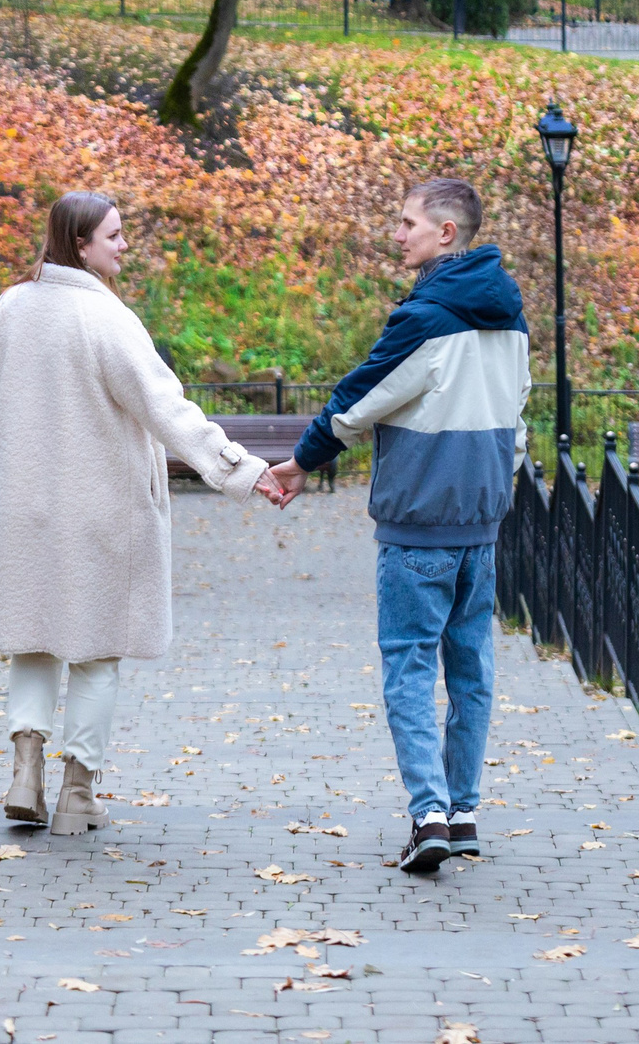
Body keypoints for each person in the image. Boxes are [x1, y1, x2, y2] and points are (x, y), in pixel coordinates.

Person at [0, 191, 278, 835]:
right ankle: (76, 795)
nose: (124, 245)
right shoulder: (106, 318)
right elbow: (168, 410)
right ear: (80, 245)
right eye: (113, 235)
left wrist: (2, 479)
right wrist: (240, 471)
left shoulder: (7, 310)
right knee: (97, 650)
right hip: (100, 511)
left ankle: (25, 772)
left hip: (23, 508)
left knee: (32, 641)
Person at [260, 178, 529, 875]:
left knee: (409, 667)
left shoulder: (427, 317)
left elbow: (360, 399)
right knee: (471, 670)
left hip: (418, 521)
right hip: (480, 521)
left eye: (408, 222)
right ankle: (462, 812)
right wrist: (498, 485)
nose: (398, 234)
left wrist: (302, 461)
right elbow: (518, 413)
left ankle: (429, 814)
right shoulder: (509, 314)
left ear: (447, 232)